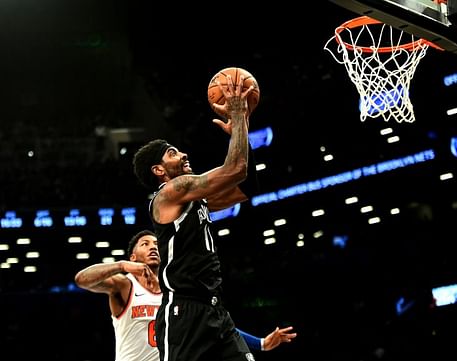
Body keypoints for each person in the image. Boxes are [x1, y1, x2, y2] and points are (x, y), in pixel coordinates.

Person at [132, 73, 266, 361]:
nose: (182, 155)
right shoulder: (170, 192)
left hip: (215, 309)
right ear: (159, 170)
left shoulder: (196, 199)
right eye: (172, 153)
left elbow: (246, 186)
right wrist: (239, 117)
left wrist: (238, 132)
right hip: (184, 313)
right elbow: (235, 169)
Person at [74, 230, 297, 361]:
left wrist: (260, 343)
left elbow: (212, 324)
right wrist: (122, 265)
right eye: (145, 244)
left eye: (156, 244)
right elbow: (82, 279)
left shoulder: (177, 290)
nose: (153, 247)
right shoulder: (124, 285)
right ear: (134, 255)